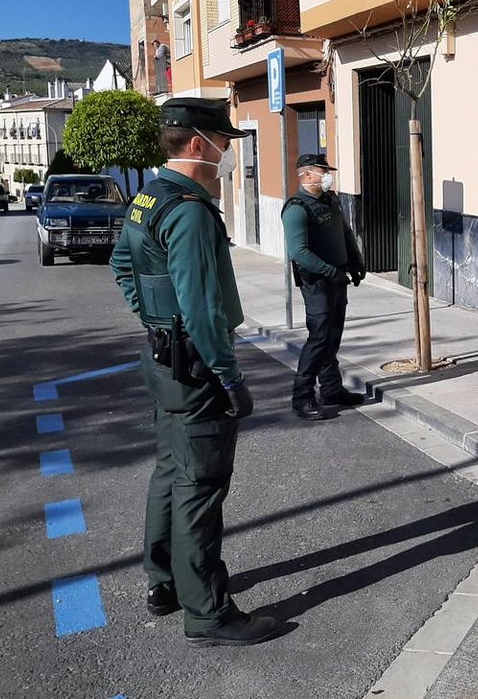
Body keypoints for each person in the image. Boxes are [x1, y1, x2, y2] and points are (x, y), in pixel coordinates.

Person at [110, 97, 282, 647]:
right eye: (223, 142)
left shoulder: (147, 199)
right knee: (200, 486)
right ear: (195, 144)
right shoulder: (188, 210)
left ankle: (164, 581)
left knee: (171, 472)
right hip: (197, 369)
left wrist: (156, 323)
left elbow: (121, 265)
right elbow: (203, 310)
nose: (227, 152)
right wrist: (230, 378)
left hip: (164, 361)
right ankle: (207, 612)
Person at [281, 153, 366, 420]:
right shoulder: (296, 209)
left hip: (338, 279)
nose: (327, 175)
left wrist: (355, 260)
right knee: (318, 339)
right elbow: (299, 252)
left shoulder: (331, 200)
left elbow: (345, 232)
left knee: (332, 338)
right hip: (317, 283)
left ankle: (331, 389)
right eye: (322, 171)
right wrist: (330, 271)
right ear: (306, 175)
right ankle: (302, 396)